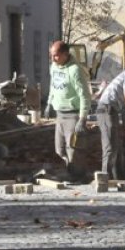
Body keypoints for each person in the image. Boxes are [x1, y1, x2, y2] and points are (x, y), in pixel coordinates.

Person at [43, 41, 92, 180]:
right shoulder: (54, 66)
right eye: (51, 55)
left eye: (56, 56)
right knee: (59, 149)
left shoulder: (75, 70)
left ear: (65, 55)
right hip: (60, 114)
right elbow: (53, 85)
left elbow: (84, 95)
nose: (53, 59)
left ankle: (77, 175)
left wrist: (82, 118)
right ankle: (69, 170)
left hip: (73, 114)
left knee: (74, 149)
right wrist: (49, 103)